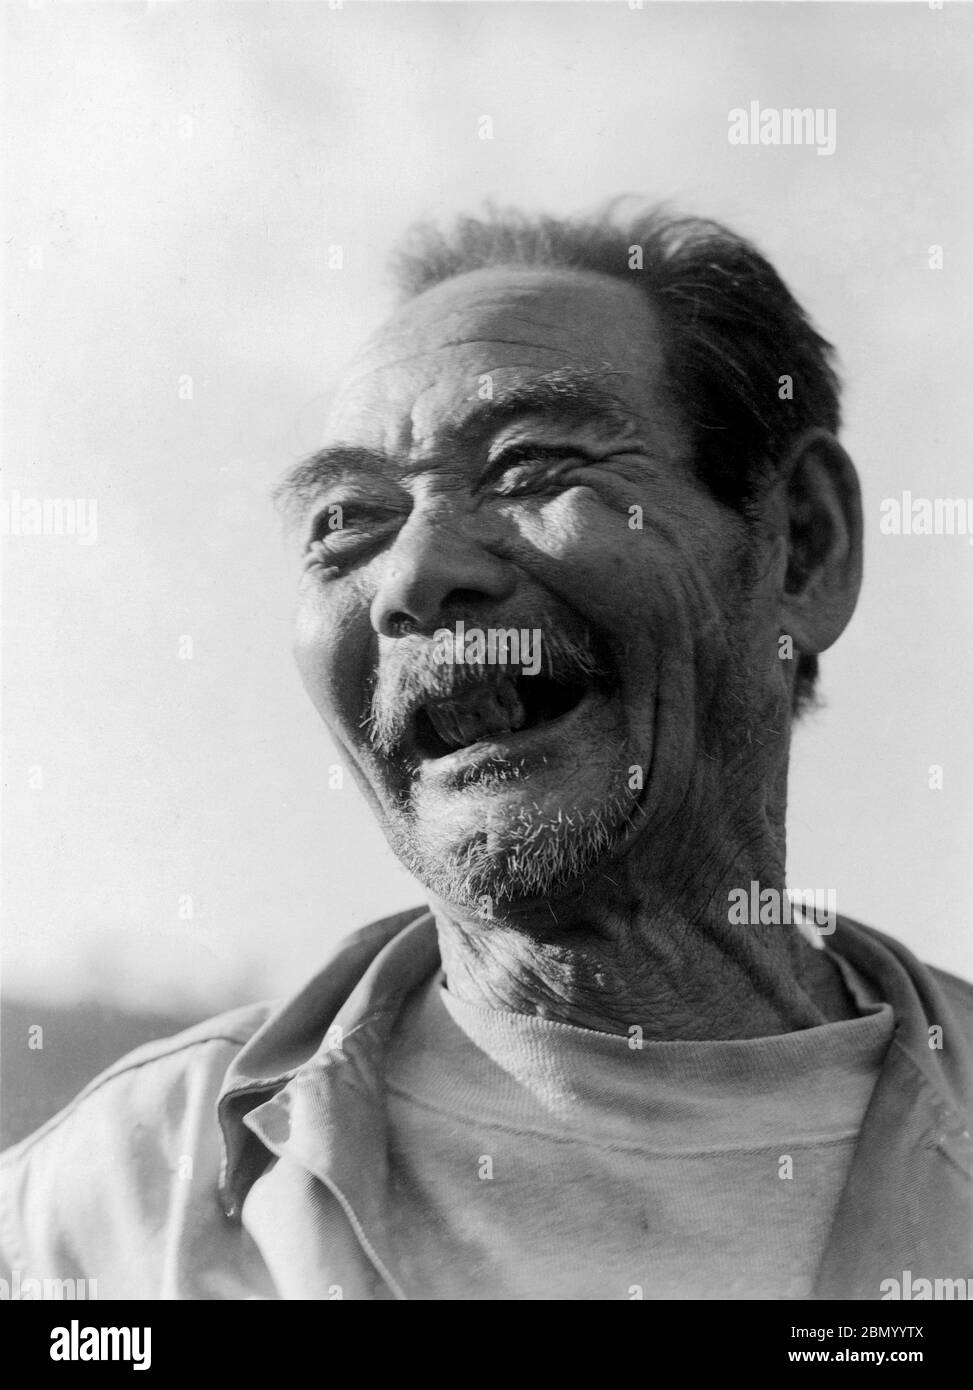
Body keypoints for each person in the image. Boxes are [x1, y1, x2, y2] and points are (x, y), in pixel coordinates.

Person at [3, 207, 971, 1301]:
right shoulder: (100, 1223)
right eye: (345, 520)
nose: (412, 576)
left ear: (803, 544)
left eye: (530, 465)